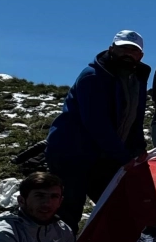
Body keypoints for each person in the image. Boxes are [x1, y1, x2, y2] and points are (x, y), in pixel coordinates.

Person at [46, 30, 150, 230]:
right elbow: (96, 123)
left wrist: (138, 147)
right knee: (70, 210)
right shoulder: (93, 76)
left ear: (140, 56)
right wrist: (123, 156)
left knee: (115, 204)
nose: (128, 54)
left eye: (133, 50)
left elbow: (135, 118)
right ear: (112, 49)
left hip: (104, 155)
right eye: (123, 49)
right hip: (72, 153)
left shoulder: (136, 79)